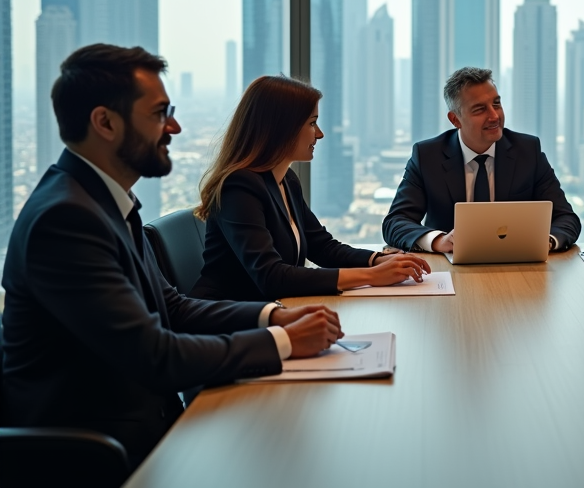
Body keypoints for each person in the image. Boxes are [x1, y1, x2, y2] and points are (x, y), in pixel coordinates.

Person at [0, 45, 343, 467]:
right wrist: (285, 341)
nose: (175, 127)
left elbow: (172, 308)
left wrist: (272, 318)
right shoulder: (67, 219)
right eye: (160, 113)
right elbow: (155, 356)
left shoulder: (104, 202)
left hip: (148, 426)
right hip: (97, 452)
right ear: (105, 122)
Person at [190, 76, 429, 301]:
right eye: (312, 123)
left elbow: (322, 246)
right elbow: (270, 277)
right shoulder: (239, 187)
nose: (320, 134)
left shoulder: (286, 180)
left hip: (272, 310)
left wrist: (378, 259)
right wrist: (372, 277)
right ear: (280, 128)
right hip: (225, 320)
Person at [383, 66, 581, 253]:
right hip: (450, 271)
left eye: (496, 104)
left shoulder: (527, 151)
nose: (494, 116)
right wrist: (438, 240)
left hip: (518, 266)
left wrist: (545, 241)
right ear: (455, 120)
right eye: (479, 109)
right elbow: (395, 222)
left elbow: (566, 218)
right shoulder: (428, 156)